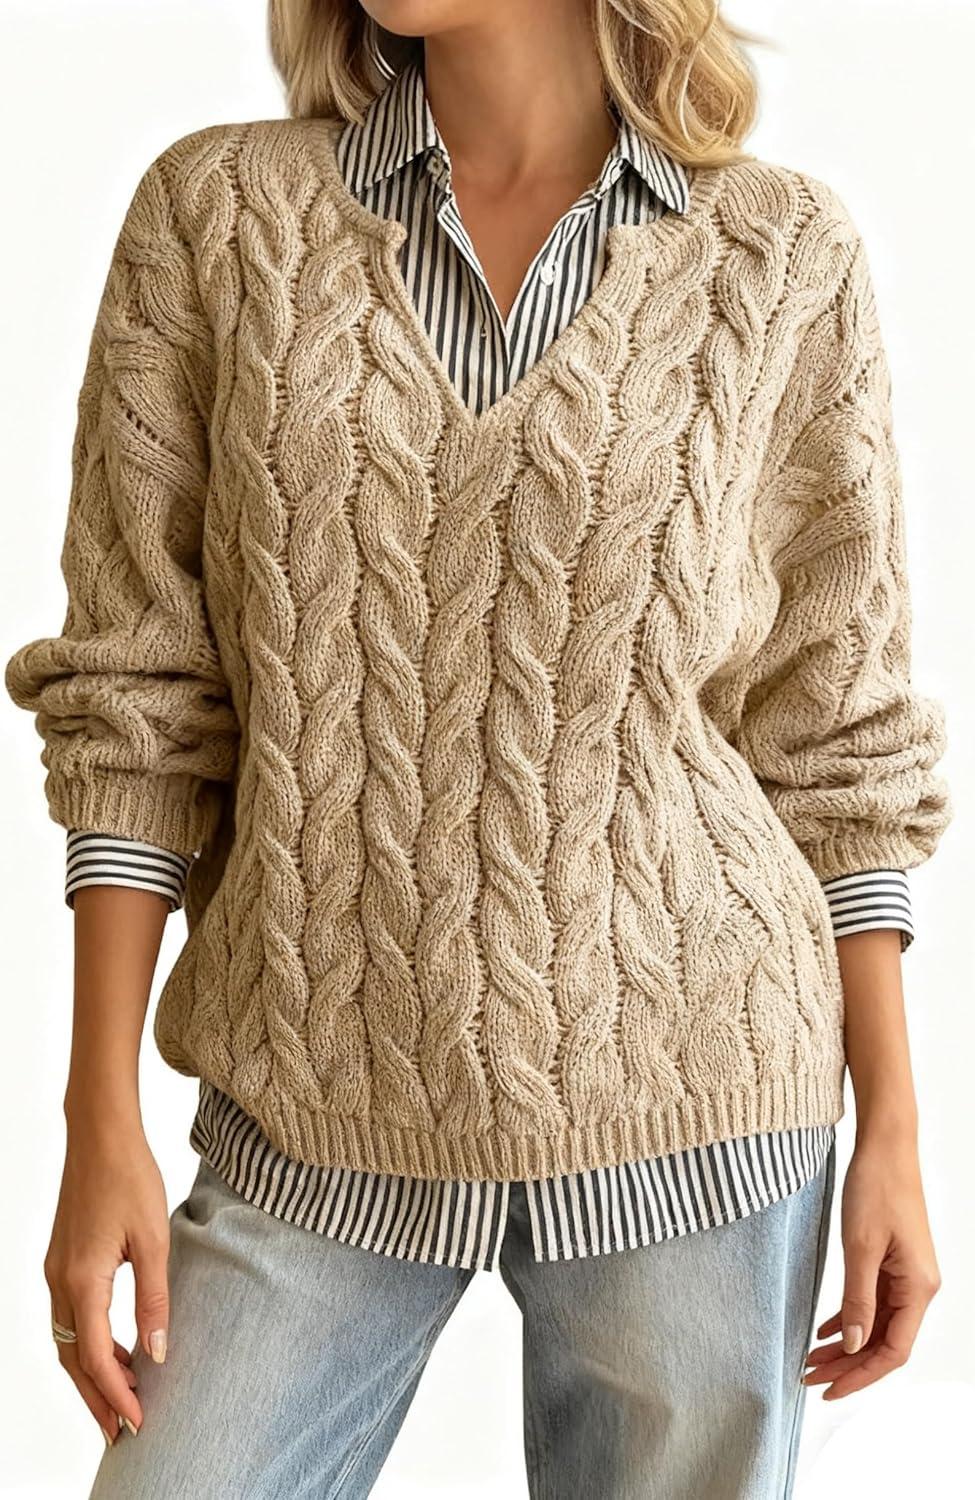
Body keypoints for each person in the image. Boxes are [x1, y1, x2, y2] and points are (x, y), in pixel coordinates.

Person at [4, 2, 953, 1496]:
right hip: (312, 1085)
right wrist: (96, 1113)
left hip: (696, 1096)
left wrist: (894, 1123)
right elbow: (139, 700)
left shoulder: (779, 255)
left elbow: (835, 732)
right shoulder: (220, 215)